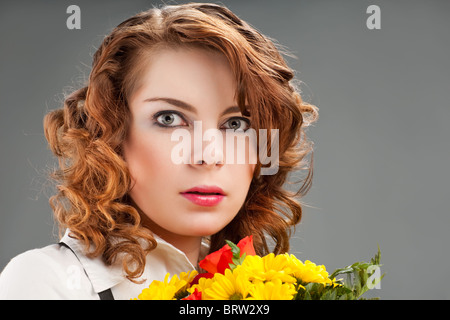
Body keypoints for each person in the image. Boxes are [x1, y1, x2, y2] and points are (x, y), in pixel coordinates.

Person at [0, 3, 318, 299]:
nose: (208, 156)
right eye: (169, 119)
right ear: (113, 135)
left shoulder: (264, 286)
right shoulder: (46, 281)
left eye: (235, 124)